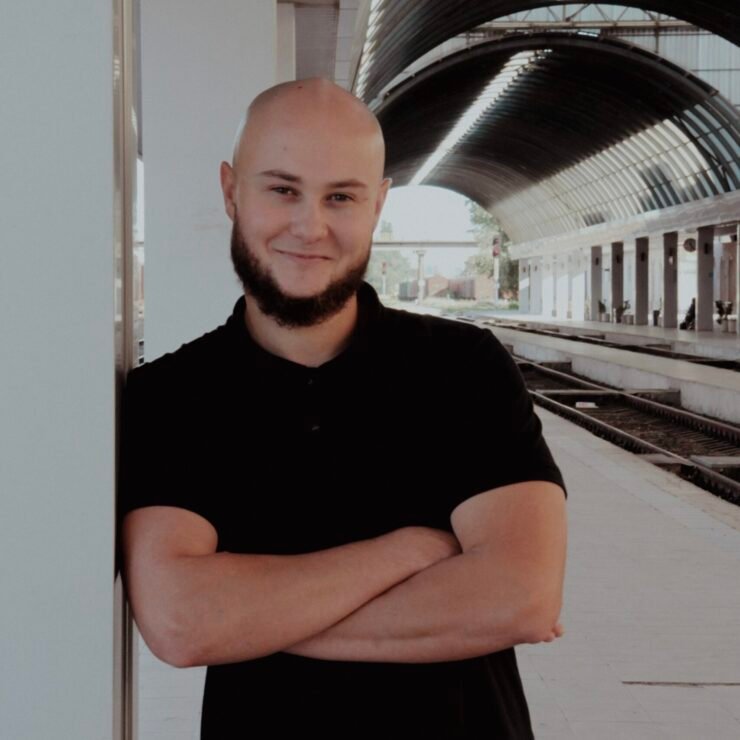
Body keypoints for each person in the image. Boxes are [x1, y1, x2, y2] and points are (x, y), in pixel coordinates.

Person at [119, 77, 568, 739]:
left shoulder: (464, 367)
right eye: (282, 190)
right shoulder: (171, 396)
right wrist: (408, 552)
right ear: (230, 192)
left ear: (377, 205)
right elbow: (183, 623)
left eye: (341, 197)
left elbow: (521, 597)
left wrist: (254, 619)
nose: (310, 227)